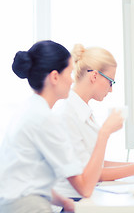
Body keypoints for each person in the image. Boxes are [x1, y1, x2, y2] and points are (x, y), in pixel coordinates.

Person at [0, 40, 123, 213]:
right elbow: (85, 188)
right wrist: (105, 133)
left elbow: (28, 179)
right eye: (70, 72)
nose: (72, 80)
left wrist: (63, 201)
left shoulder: (31, 109)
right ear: (55, 77)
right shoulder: (45, 119)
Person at [53, 44, 134, 199]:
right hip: (71, 201)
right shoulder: (67, 114)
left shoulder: (82, 110)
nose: (111, 89)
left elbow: (95, 163)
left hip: (84, 198)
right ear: (94, 76)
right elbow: (90, 174)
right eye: (110, 82)